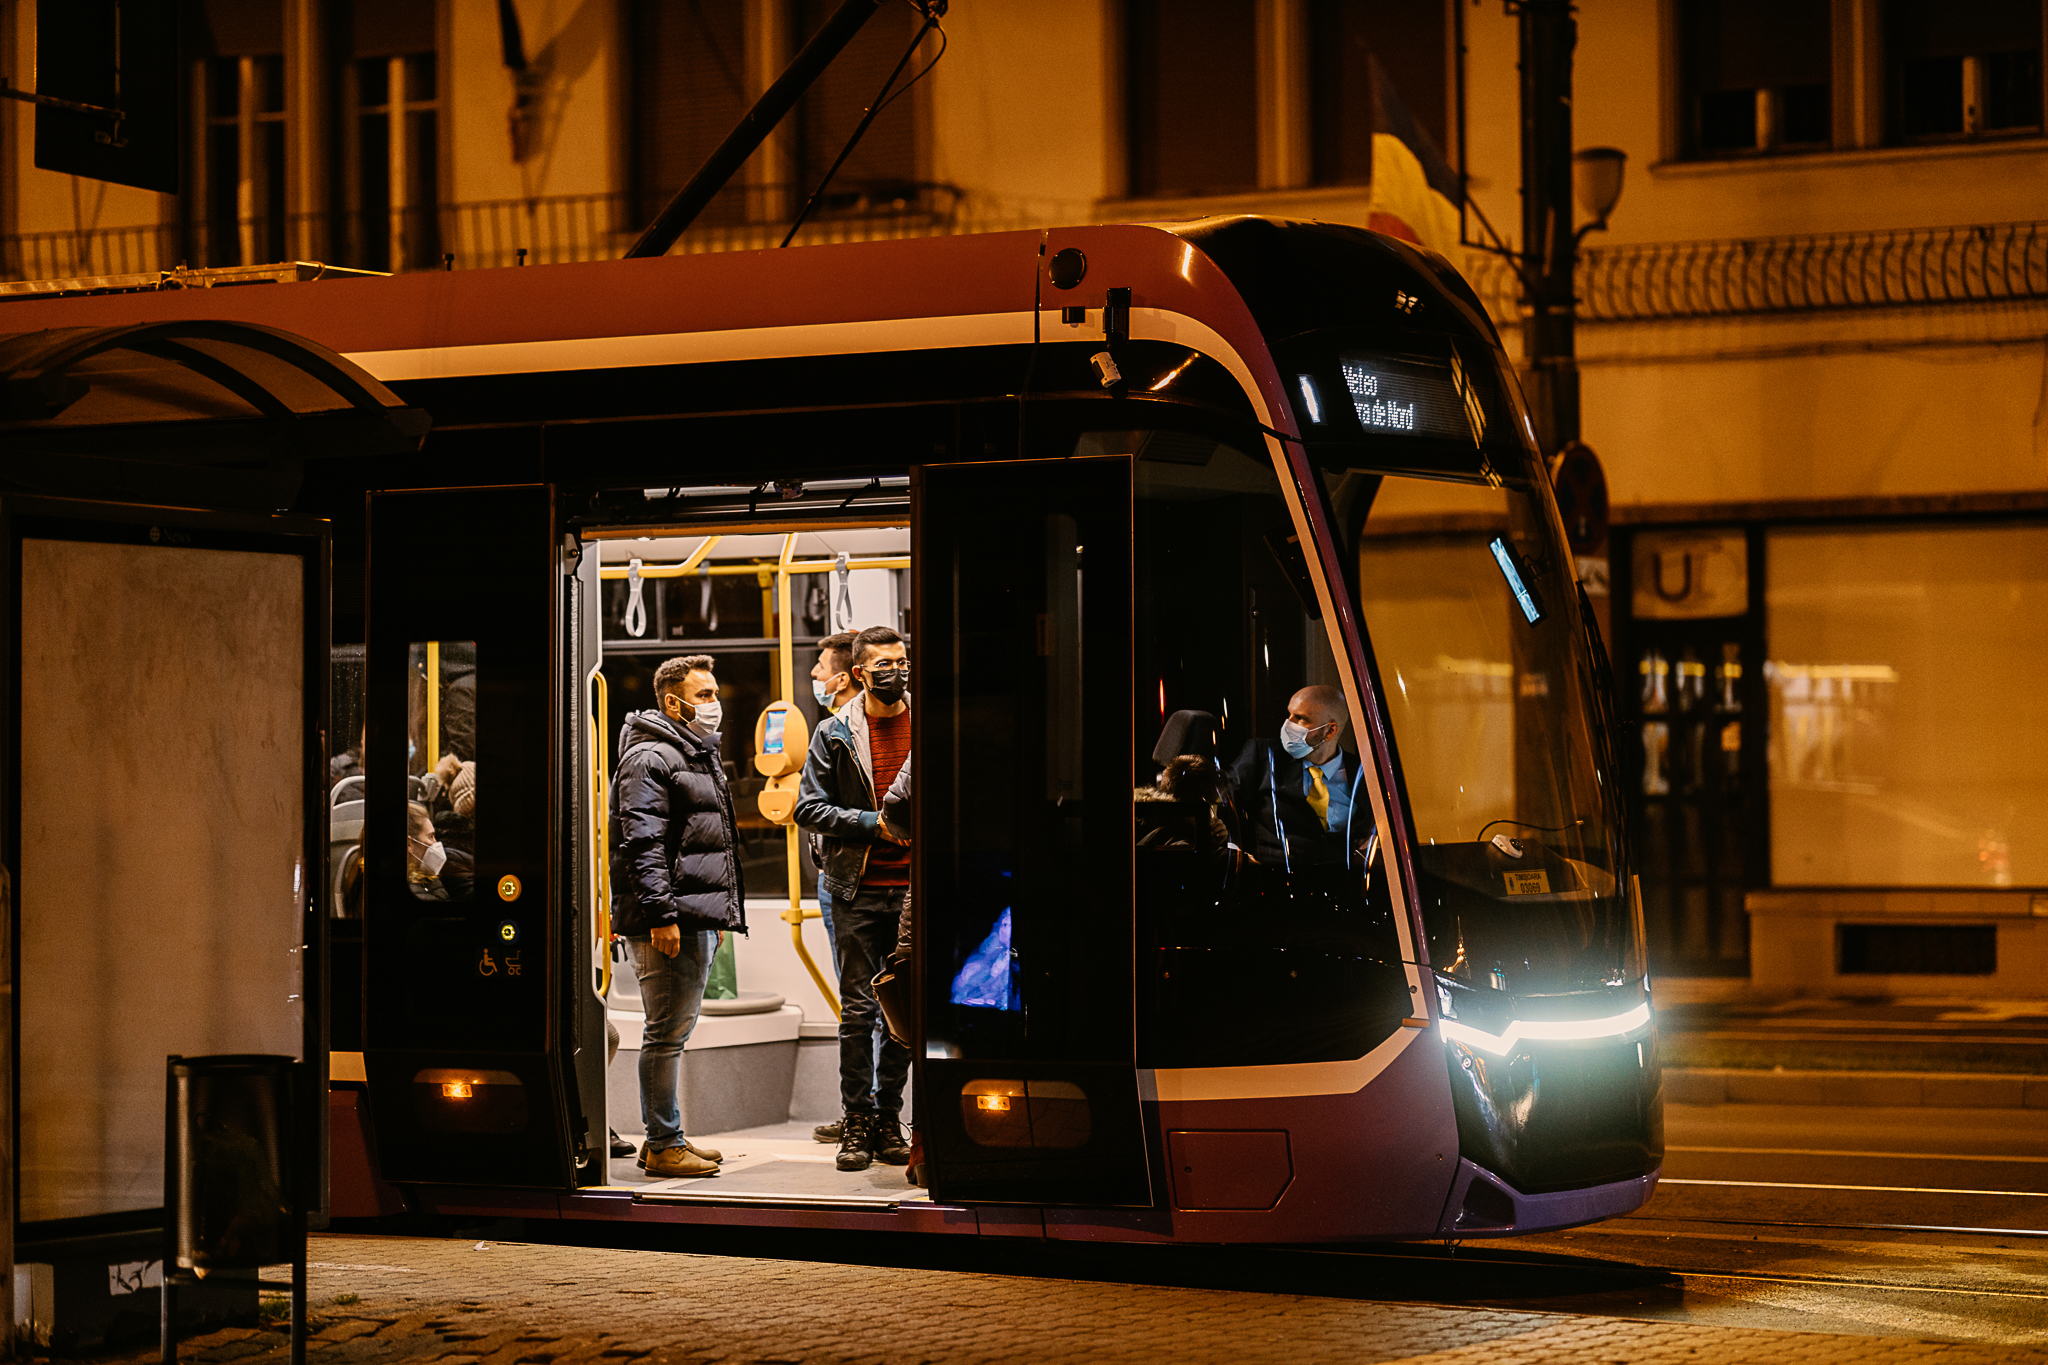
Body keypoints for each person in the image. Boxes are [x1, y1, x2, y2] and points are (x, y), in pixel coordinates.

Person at [610, 654, 747, 1179]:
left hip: (693, 915)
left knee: (673, 1031)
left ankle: (663, 1139)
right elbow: (641, 843)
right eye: (705, 694)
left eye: (715, 694)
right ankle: (665, 1143)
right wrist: (662, 916)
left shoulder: (690, 751)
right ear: (673, 701)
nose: (714, 704)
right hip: (668, 921)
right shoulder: (650, 757)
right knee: (664, 1034)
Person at [794, 625, 913, 1172]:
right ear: (861, 673)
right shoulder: (834, 732)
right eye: (884, 663)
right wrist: (873, 825)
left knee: (905, 1009)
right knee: (859, 1012)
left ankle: (891, 1116)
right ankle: (858, 1121)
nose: (897, 670)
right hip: (858, 889)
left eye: (902, 660)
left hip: (915, 892)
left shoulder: (926, 724)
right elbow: (808, 808)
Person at [804, 629, 863, 1146]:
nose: (816, 678)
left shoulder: (845, 735)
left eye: (821, 670)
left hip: (861, 881)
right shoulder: (829, 732)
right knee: (855, 999)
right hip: (834, 877)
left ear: (844, 677)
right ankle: (858, 1111)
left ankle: (877, 1114)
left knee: (869, 1000)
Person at [1226, 685, 1366, 869]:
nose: (1288, 724)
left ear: (1330, 731)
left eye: (1301, 719)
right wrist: (1236, 856)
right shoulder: (1263, 756)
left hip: (1341, 885)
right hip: (1273, 881)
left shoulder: (1362, 772)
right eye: (1289, 714)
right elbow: (1223, 804)